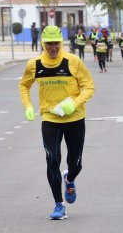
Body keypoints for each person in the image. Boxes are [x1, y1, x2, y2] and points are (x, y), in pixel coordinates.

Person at [18, 25, 95, 220]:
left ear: (61, 43)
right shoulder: (34, 64)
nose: (53, 48)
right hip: (50, 118)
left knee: (75, 163)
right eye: (49, 44)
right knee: (52, 159)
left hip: (75, 118)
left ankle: (69, 179)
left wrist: (75, 103)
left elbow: (89, 87)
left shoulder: (73, 62)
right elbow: (24, 85)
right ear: (43, 44)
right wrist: (28, 106)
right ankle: (59, 205)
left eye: (56, 44)